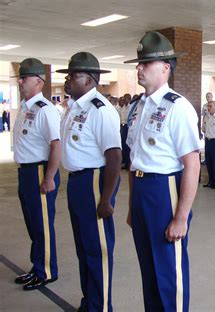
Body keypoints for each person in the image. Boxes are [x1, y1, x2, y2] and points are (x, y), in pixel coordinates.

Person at [124, 31, 201, 311]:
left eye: (146, 63)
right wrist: (133, 205)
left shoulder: (177, 107)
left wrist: (181, 217)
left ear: (165, 68)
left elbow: (192, 164)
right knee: (149, 269)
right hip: (142, 190)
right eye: (139, 63)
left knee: (169, 271)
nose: (139, 68)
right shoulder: (138, 107)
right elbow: (135, 160)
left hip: (164, 191)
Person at [58, 52, 122, 311]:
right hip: (76, 182)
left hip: (94, 181)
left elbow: (115, 156)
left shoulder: (100, 109)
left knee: (97, 250)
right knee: (83, 248)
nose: (68, 80)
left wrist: (106, 198)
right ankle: (90, 302)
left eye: (74, 75)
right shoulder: (74, 108)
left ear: (91, 79)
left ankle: (101, 306)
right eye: (69, 75)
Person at [12, 58, 61, 290]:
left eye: (25, 78)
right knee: (33, 224)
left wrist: (49, 177)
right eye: (20, 77)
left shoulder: (45, 110)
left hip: (40, 171)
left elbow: (56, 145)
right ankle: (37, 265)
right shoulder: (25, 107)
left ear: (39, 82)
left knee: (42, 225)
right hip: (26, 172)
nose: (20, 81)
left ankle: (47, 271)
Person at [116, 96, 131, 169]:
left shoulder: (130, 107)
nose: (123, 100)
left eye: (125, 98)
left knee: (127, 145)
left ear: (129, 99)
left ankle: (128, 163)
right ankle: (125, 162)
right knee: (123, 145)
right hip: (122, 126)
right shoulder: (123, 107)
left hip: (127, 126)